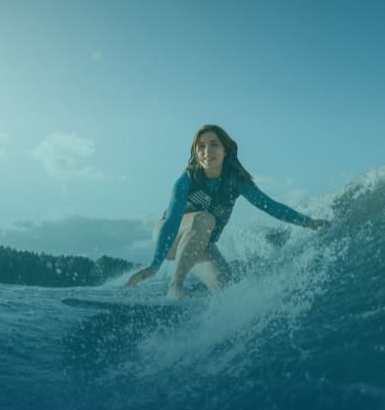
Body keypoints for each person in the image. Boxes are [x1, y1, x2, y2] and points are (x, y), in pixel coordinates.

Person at [126, 124, 330, 299]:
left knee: (227, 290)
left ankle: (189, 305)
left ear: (225, 150)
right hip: (169, 236)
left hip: (197, 243)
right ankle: (175, 288)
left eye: (214, 144)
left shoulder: (237, 182)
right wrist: (154, 265)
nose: (207, 151)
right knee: (206, 220)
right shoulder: (186, 180)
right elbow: (171, 220)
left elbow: (271, 206)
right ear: (196, 153)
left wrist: (309, 222)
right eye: (201, 147)